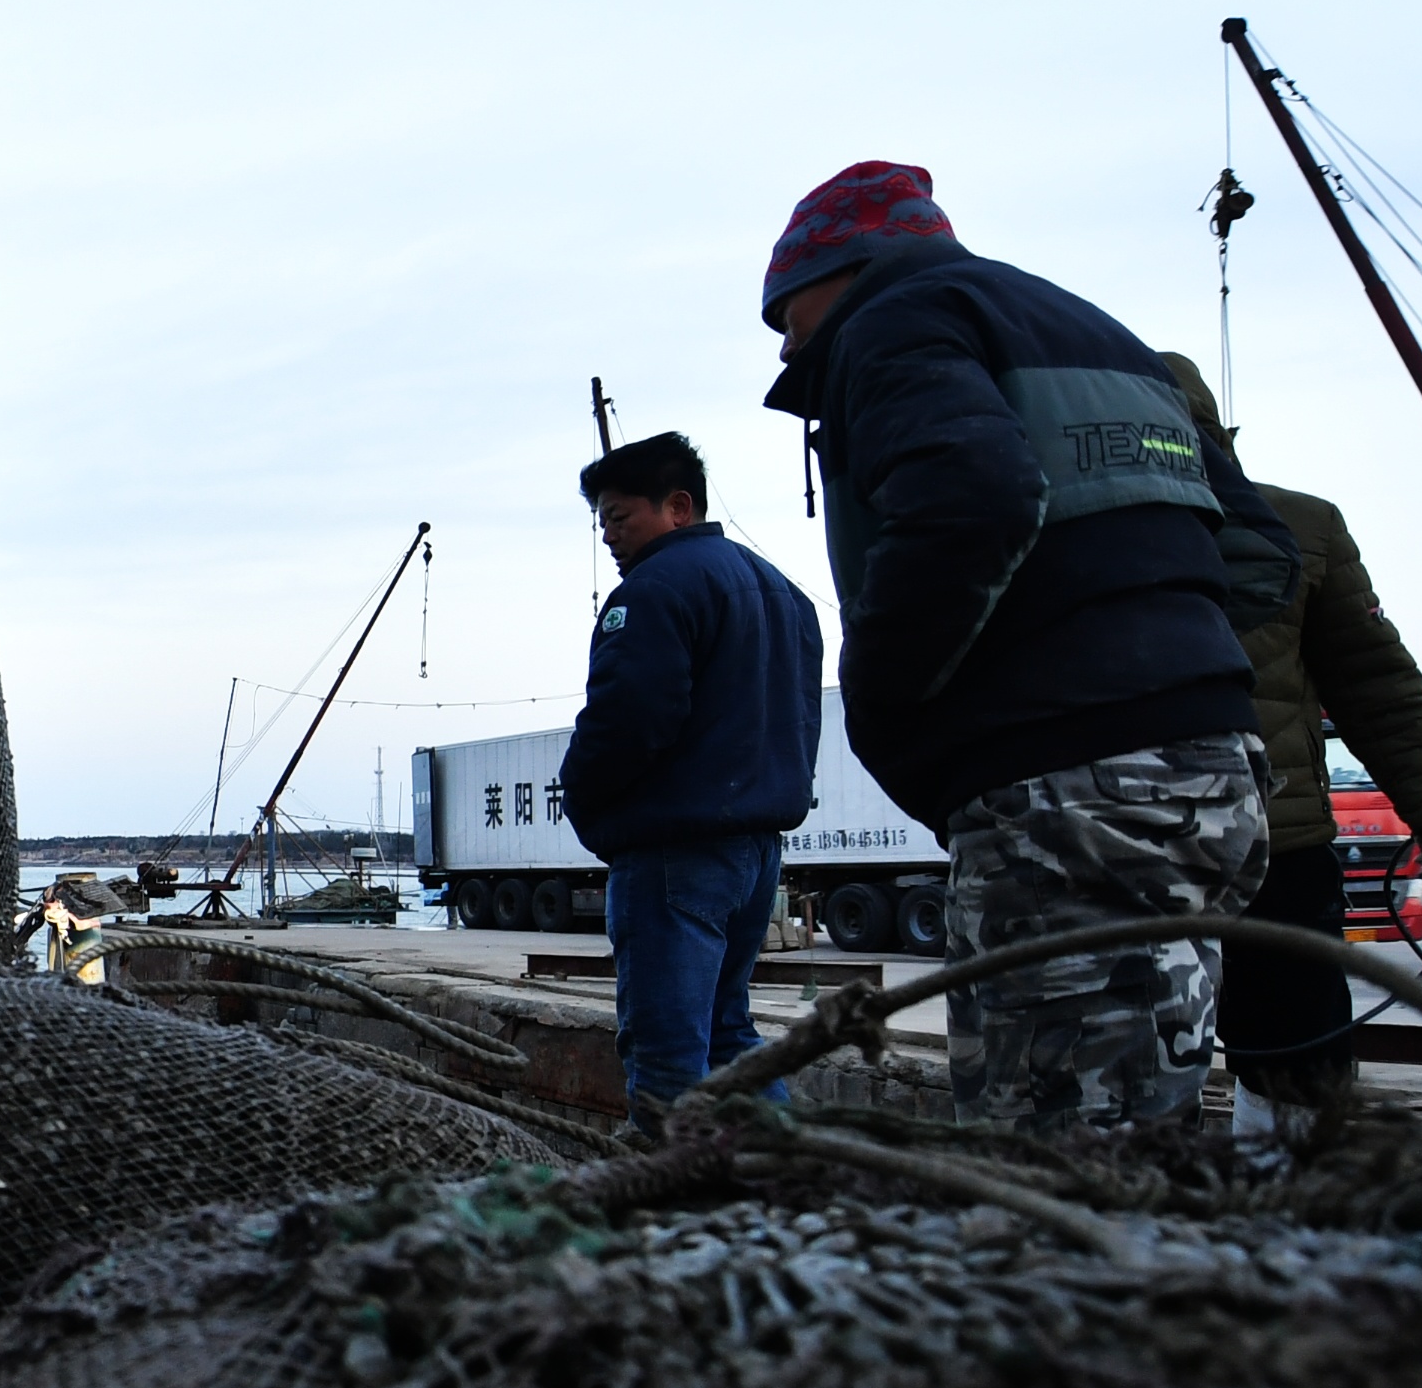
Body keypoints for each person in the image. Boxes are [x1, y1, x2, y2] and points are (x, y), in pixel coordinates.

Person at [757, 162, 1298, 1128]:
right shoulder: (1103, 334)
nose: (788, 341)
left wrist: (888, 702)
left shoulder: (895, 324)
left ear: (837, 271)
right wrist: (1156, 647)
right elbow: (1260, 554)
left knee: (1052, 1152)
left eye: (784, 312)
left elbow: (977, 498)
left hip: (1063, 791)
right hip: (1219, 777)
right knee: (1140, 1107)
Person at [1161, 357, 1422, 1129]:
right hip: (1136, 845)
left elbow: (1373, 676)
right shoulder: (1062, 525)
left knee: (1297, 1053)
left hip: (1275, 843)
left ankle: (1289, 1207)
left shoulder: (1302, 527)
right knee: (1134, 1055)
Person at [556, 432, 826, 1124]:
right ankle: (782, 1182)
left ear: (677, 506)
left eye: (619, 518)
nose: (610, 538)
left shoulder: (653, 591)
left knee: (666, 1053)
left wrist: (584, 801)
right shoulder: (785, 594)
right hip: (758, 849)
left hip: (675, 852)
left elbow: (628, 719)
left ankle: (663, 1208)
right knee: (730, 1035)